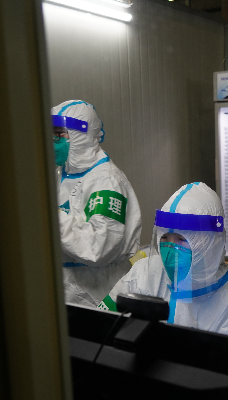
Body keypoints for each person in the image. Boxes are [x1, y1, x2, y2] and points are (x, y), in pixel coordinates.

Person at [99, 182, 228, 349]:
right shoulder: (144, 274)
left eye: (181, 240)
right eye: (165, 238)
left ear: (211, 243)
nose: (171, 251)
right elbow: (102, 325)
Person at [52, 100, 142, 308]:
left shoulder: (106, 181)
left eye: (58, 135)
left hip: (97, 291)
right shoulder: (61, 174)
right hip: (69, 290)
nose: (52, 141)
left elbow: (99, 247)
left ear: (80, 136)